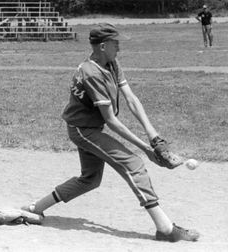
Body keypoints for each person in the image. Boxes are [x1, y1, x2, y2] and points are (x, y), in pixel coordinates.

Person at [22, 23, 200, 242]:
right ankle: (165, 229)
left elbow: (132, 100)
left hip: (90, 127)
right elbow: (111, 121)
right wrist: (145, 149)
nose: (120, 48)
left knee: (90, 179)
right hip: (83, 130)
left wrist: (155, 139)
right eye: (116, 44)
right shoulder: (91, 72)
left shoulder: (111, 63)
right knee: (133, 164)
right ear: (103, 46)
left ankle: (35, 208)